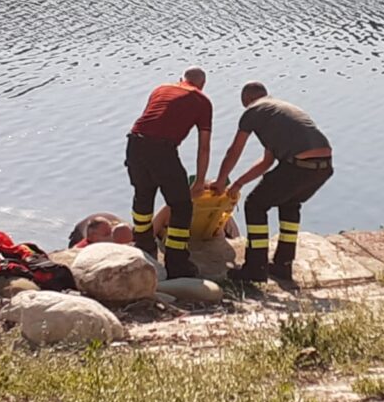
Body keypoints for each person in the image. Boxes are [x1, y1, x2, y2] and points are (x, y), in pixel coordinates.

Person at [212, 82, 332, 283]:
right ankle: (283, 265)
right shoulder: (277, 112)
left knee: (255, 205)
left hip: (298, 165)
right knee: (290, 204)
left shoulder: (253, 111)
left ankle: (255, 268)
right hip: (324, 166)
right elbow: (267, 162)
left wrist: (221, 180)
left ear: (247, 99)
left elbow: (234, 150)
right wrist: (238, 184)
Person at [125, 66, 212, 278]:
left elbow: (153, 120)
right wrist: (199, 181)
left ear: (180, 78)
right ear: (202, 85)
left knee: (143, 195)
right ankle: (177, 262)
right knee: (181, 205)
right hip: (162, 149)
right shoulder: (202, 101)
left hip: (135, 143)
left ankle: (144, 248)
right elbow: (204, 147)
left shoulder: (160, 88)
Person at [67, 212, 133, 248]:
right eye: (106, 234)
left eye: (111, 230)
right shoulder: (83, 247)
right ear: (93, 238)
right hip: (80, 230)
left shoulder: (121, 232)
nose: (112, 235)